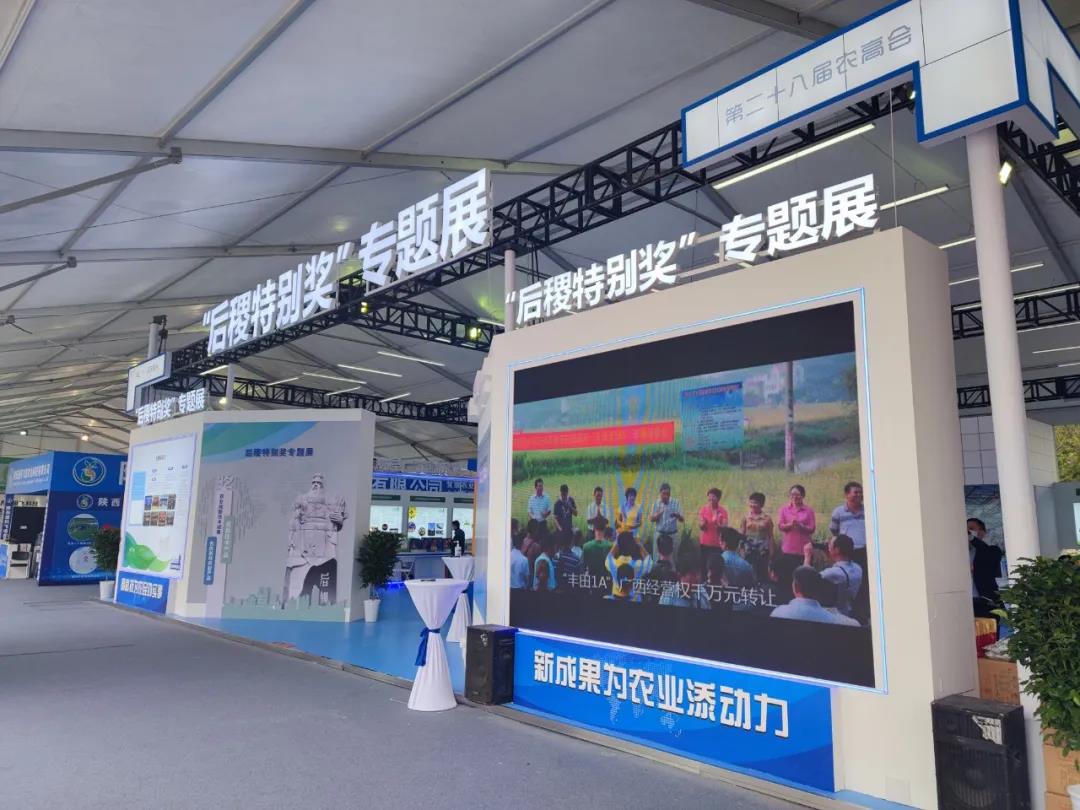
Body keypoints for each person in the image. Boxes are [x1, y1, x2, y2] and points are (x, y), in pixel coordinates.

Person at [283, 473, 347, 608]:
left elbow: (337, 523)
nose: (316, 485)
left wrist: (339, 521)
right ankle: (292, 605)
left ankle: (321, 607)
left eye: (319, 483)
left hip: (322, 541)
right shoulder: (301, 499)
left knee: (323, 573)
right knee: (297, 578)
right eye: (314, 483)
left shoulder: (330, 501)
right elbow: (293, 521)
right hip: (303, 541)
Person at [770, 566, 859, 625]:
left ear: (796, 587)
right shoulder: (835, 619)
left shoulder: (779, 613)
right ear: (818, 588)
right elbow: (855, 624)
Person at [805, 534, 862, 619]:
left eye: (830, 544)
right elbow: (839, 566)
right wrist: (831, 553)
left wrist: (807, 556)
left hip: (833, 616)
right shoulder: (857, 568)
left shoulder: (833, 573)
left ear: (837, 550)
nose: (827, 545)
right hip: (847, 611)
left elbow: (805, 580)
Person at [968, 517, 1004, 617]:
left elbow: (986, 554)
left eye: (971, 529)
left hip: (986, 601)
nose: (967, 532)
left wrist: (971, 538)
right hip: (965, 602)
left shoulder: (992, 551)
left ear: (982, 533)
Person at [605, 531, 653, 599]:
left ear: (619, 547)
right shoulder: (638, 565)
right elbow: (649, 560)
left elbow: (609, 557)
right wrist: (640, 545)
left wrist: (616, 544)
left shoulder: (613, 564)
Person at [659, 543, 709, 609]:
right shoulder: (668, 598)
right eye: (693, 574)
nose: (698, 578)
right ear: (680, 576)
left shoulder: (702, 594)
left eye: (698, 574)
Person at [777, 484, 816, 567]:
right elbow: (780, 526)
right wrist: (790, 525)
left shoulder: (809, 510)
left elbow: (812, 528)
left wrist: (801, 526)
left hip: (804, 550)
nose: (794, 497)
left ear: (803, 495)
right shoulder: (784, 509)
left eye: (797, 494)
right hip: (788, 549)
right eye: (792, 494)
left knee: (804, 573)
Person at [740, 492, 775, 572]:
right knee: (748, 571)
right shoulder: (746, 517)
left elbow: (770, 536)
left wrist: (771, 553)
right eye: (751, 502)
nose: (752, 505)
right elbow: (742, 535)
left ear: (761, 504)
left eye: (755, 503)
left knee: (761, 571)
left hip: (762, 550)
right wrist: (741, 550)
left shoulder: (767, 519)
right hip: (748, 550)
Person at [698, 487, 728, 578]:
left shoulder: (723, 511)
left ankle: (715, 583)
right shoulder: (703, 509)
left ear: (718, 498)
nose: (710, 499)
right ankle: (703, 582)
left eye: (713, 497)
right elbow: (701, 527)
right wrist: (704, 523)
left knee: (716, 567)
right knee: (704, 566)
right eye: (709, 496)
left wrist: (717, 524)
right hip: (705, 544)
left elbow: (725, 528)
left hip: (717, 545)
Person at [649, 483, 684, 550]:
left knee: (672, 555)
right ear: (660, 493)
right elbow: (651, 519)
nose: (666, 496)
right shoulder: (656, 503)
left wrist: (677, 515)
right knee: (657, 555)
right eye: (664, 494)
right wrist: (659, 513)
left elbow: (682, 519)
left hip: (672, 535)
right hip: (659, 535)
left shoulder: (676, 502)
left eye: (668, 494)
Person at [581, 516, 614, 582]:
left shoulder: (586, 547)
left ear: (594, 529)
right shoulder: (611, 546)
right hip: (607, 581)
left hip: (592, 581)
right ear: (604, 529)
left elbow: (582, 567)